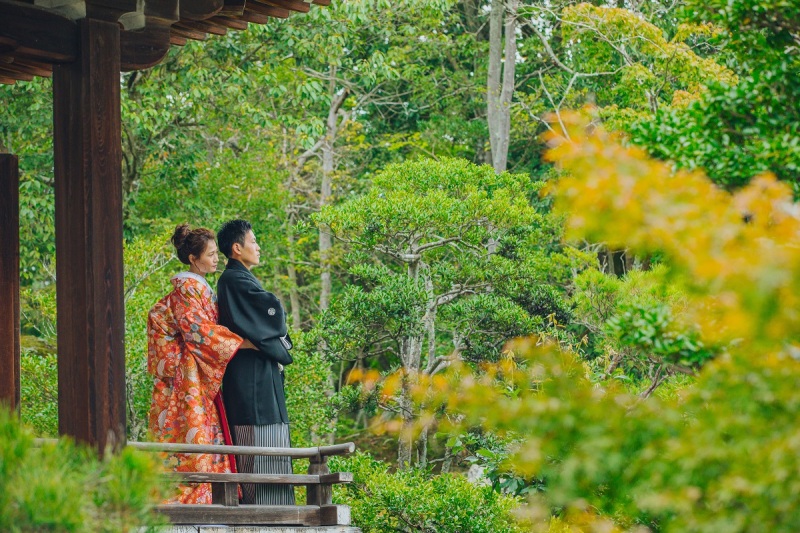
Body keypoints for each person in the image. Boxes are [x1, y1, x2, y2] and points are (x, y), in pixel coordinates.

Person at [147, 224, 256, 504]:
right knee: (191, 430)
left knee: (204, 429)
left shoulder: (200, 287)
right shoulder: (187, 288)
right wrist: (242, 343)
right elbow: (198, 330)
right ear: (193, 259)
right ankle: (193, 495)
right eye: (209, 254)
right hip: (189, 372)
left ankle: (210, 492)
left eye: (215, 253)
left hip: (198, 369)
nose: (216, 258)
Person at [216, 219, 295, 505]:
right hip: (248, 374)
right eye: (253, 241)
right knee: (257, 433)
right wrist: (274, 335)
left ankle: (275, 507)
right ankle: (265, 508)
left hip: (257, 371)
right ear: (237, 248)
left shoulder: (241, 278)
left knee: (270, 433)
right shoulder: (232, 279)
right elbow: (271, 314)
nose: (258, 246)